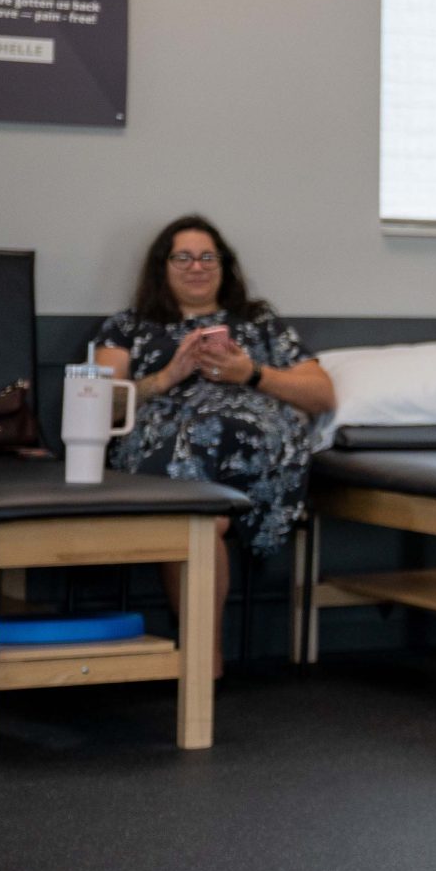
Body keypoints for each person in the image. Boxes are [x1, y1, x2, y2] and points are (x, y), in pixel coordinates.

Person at [92, 216, 336, 677]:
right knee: (197, 502)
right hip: (168, 445)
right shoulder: (129, 327)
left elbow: (322, 394)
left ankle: (203, 649)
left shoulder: (257, 321)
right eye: (182, 257)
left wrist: (252, 374)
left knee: (210, 483)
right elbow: (100, 403)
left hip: (259, 449)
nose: (196, 267)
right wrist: (168, 377)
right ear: (162, 267)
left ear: (224, 266)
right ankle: (206, 656)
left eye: (208, 257)